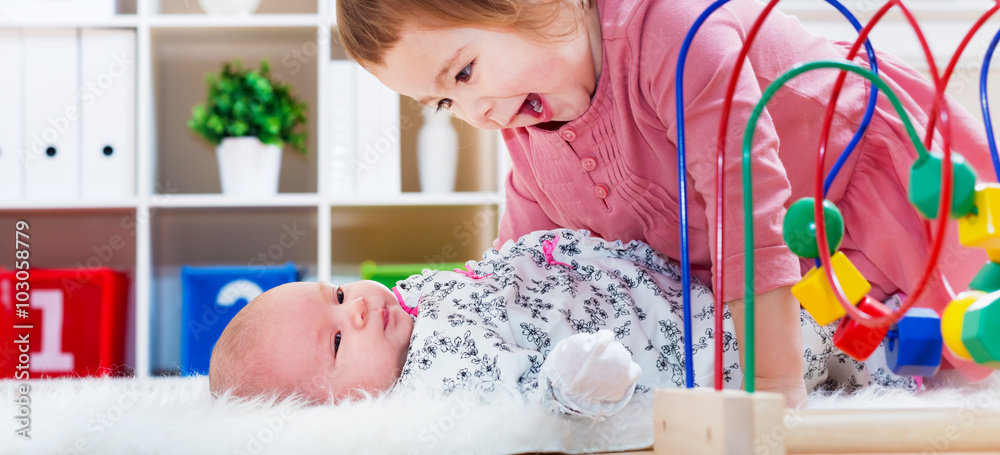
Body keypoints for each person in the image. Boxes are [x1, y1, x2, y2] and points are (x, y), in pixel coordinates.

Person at [333, 0, 996, 406]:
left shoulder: (674, 33)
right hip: (801, 279)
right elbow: (528, 267)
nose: (479, 113)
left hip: (873, 193)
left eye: (468, 70)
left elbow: (750, 220)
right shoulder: (528, 130)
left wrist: (774, 397)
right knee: (873, 366)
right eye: (447, 100)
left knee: (961, 363)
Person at [209, 229, 913, 410]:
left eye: (336, 292)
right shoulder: (434, 381)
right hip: (664, 349)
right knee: (769, 338)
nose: (356, 306)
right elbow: (524, 410)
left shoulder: (409, 303)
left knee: (746, 292)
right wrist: (575, 385)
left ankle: (867, 308)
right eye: (337, 339)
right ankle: (887, 344)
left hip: (646, 288)